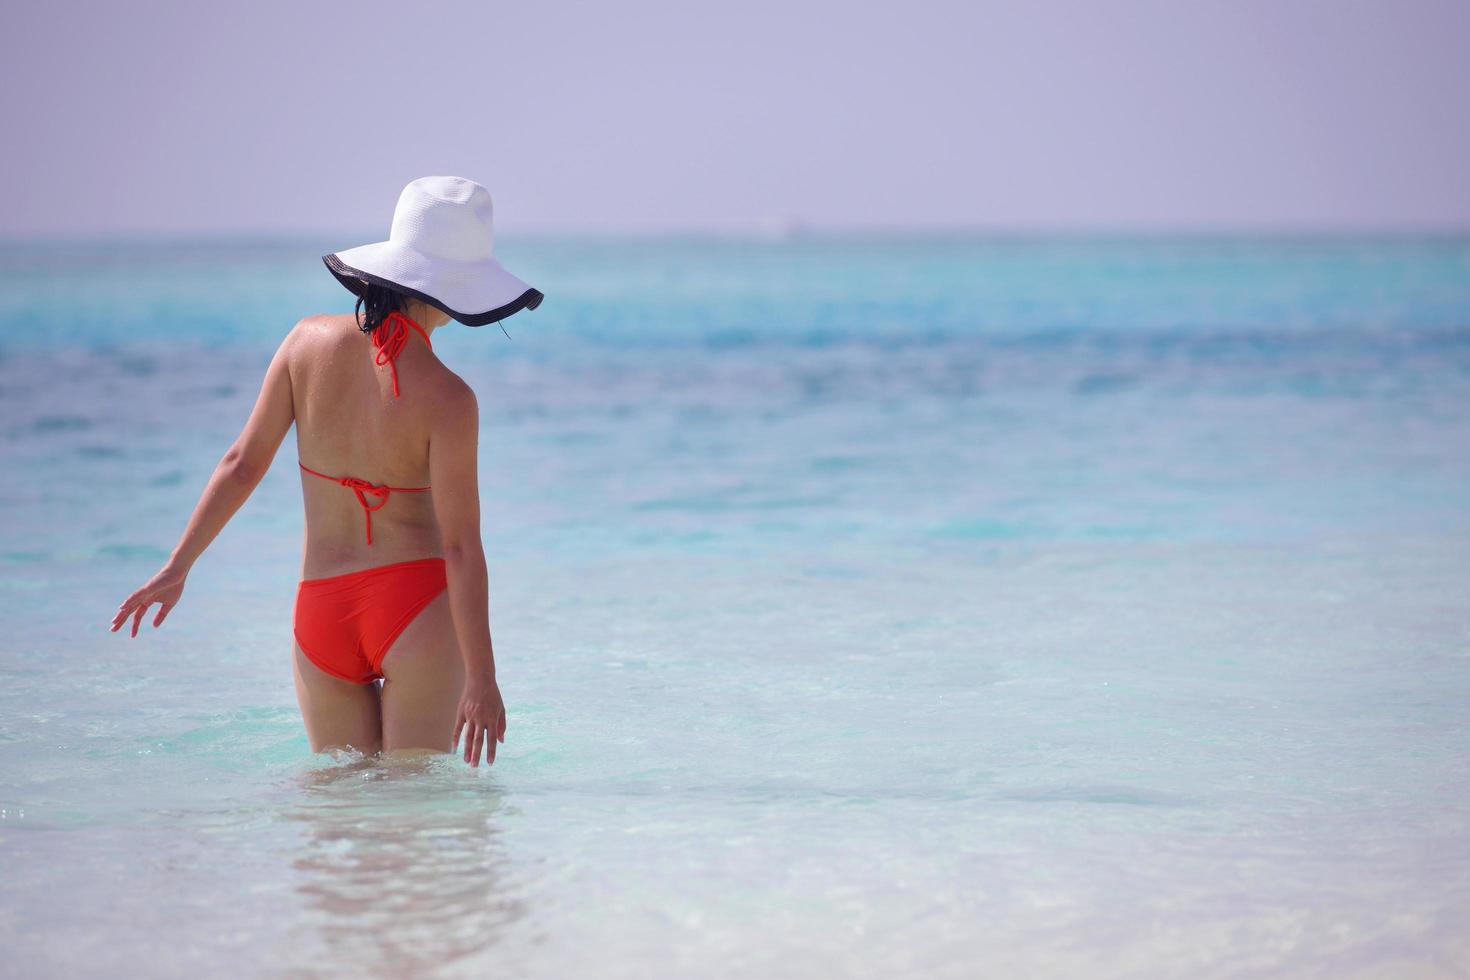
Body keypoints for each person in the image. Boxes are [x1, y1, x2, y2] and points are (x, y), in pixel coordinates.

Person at [110, 176, 543, 768]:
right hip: (415, 609)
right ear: (455, 289)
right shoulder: (448, 398)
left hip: (319, 615)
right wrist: (485, 681)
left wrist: (177, 567)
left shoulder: (303, 343)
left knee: (340, 817)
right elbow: (461, 546)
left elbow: (240, 465)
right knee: (416, 816)